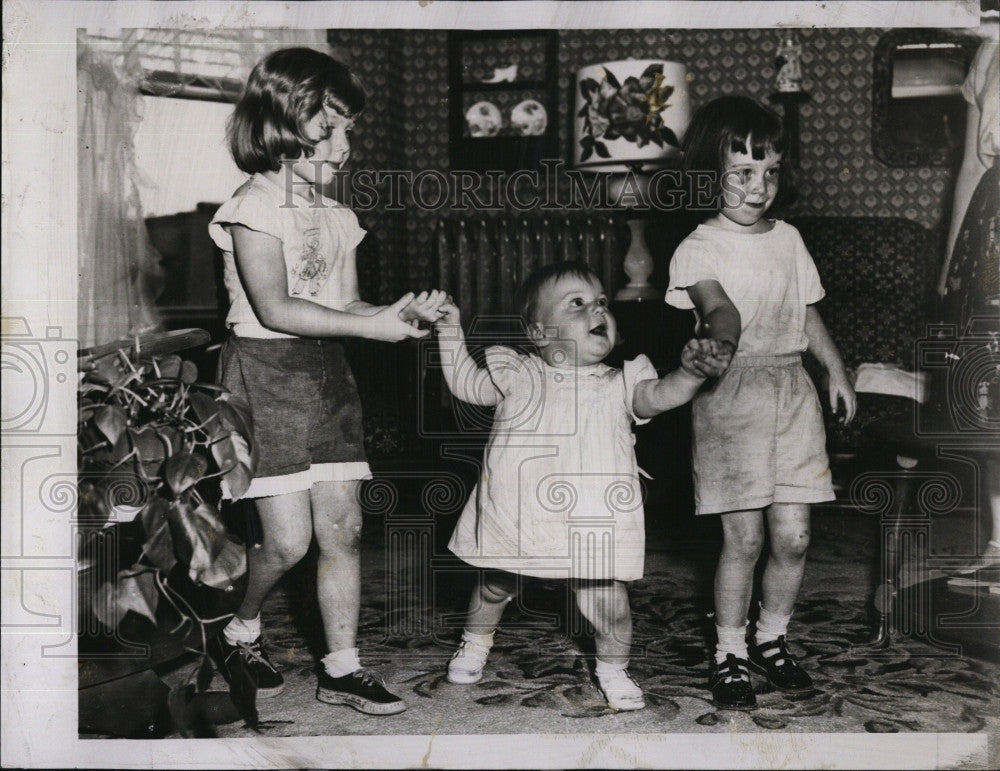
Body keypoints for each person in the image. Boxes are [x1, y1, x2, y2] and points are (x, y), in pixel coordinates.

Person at [206, 47, 446, 716]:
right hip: (264, 376)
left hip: (328, 377)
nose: (343, 149)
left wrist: (396, 313)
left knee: (342, 528)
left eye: (347, 134)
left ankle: (342, 666)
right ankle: (239, 629)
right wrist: (369, 328)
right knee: (287, 540)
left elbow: (346, 306)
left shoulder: (338, 218)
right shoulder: (253, 206)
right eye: (327, 132)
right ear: (281, 128)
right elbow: (276, 307)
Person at [434, 261, 732, 711]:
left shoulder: (621, 381)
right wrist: (449, 329)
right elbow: (465, 385)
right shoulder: (519, 372)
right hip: (520, 513)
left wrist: (690, 374)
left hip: (594, 518)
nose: (597, 311)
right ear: (538, 333)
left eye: (601, 303)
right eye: (577, 304)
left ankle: (613, 668)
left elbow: (659, 396)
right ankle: (476, 641)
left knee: (609, 603)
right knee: (495, 585)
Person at [666, 95, 856, 711]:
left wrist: (833, 368)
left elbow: (806, 310)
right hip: (731, 394)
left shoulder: (790, 239)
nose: (758, 187)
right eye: (742, 172)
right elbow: (720, 307)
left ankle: (772, 639)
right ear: (708, 173)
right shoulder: (697, 247)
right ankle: (729, 653)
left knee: (794, 538)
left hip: (792, 393)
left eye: (770, 171)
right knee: (743, 540)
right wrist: (718, 346)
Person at [937, 31, 999, 571]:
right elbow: (973, 167)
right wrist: (949, 268)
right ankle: (999, 545)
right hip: (992, 226)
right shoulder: (990, 47)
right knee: (991, 388)